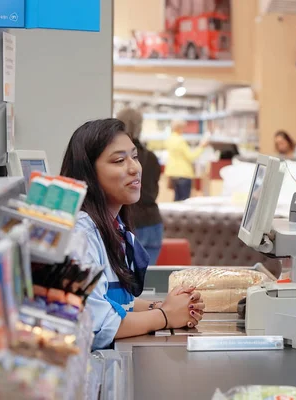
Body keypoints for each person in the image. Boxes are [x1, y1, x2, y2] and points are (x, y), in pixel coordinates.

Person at [61, 119, 204, 351]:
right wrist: (165, 315)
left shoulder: (113, 226)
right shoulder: (80, 233)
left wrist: (161, 306)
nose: (134, 168)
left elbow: (110, 300)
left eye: (134, 157)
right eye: (119, 160)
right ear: (88, 173)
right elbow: (97, 326)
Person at [116, 108, 163, 265]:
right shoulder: (151, 157)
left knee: (129, 281)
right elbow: (154, 190)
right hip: (154, 222)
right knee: (147, 279)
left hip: (130, 221)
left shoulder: (118, 158)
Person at [164, 120, 208, 201]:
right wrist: (202, 147)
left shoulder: (169, 139)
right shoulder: (180, 141)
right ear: (179, 128)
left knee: (177, 198)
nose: (184, 130)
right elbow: (191, 156)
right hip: (183, 173)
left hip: (173, 173)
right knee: (184, 200)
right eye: (183, 128)